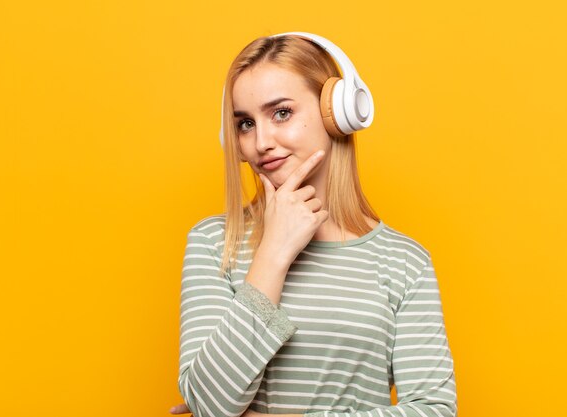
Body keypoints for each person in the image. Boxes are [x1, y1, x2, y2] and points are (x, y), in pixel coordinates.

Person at [169, 32, 457, 417]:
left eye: (281, 113)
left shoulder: (405, 262)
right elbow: (210, 404)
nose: (261, 142)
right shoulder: (213, 242)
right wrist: (273, 252)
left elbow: (434, 410)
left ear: (336, 112)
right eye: (244, 124)